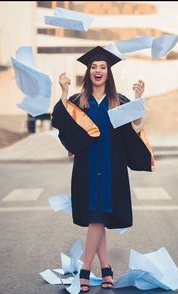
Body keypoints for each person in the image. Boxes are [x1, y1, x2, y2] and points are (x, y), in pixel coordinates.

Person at [51, 46, 154, 293]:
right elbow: (61, 122)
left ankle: (86, 269)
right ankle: (104, 269)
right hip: (86, 168)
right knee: (97, 217)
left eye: (103, 67)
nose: (98, 70)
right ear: (88, 72)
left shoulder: (118, 101)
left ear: (109, 72)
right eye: (94, 67)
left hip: (111, 168)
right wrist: (64, 92)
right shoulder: (78, 101)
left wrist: (139, 100)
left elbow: (135, 128)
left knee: (98, 217)